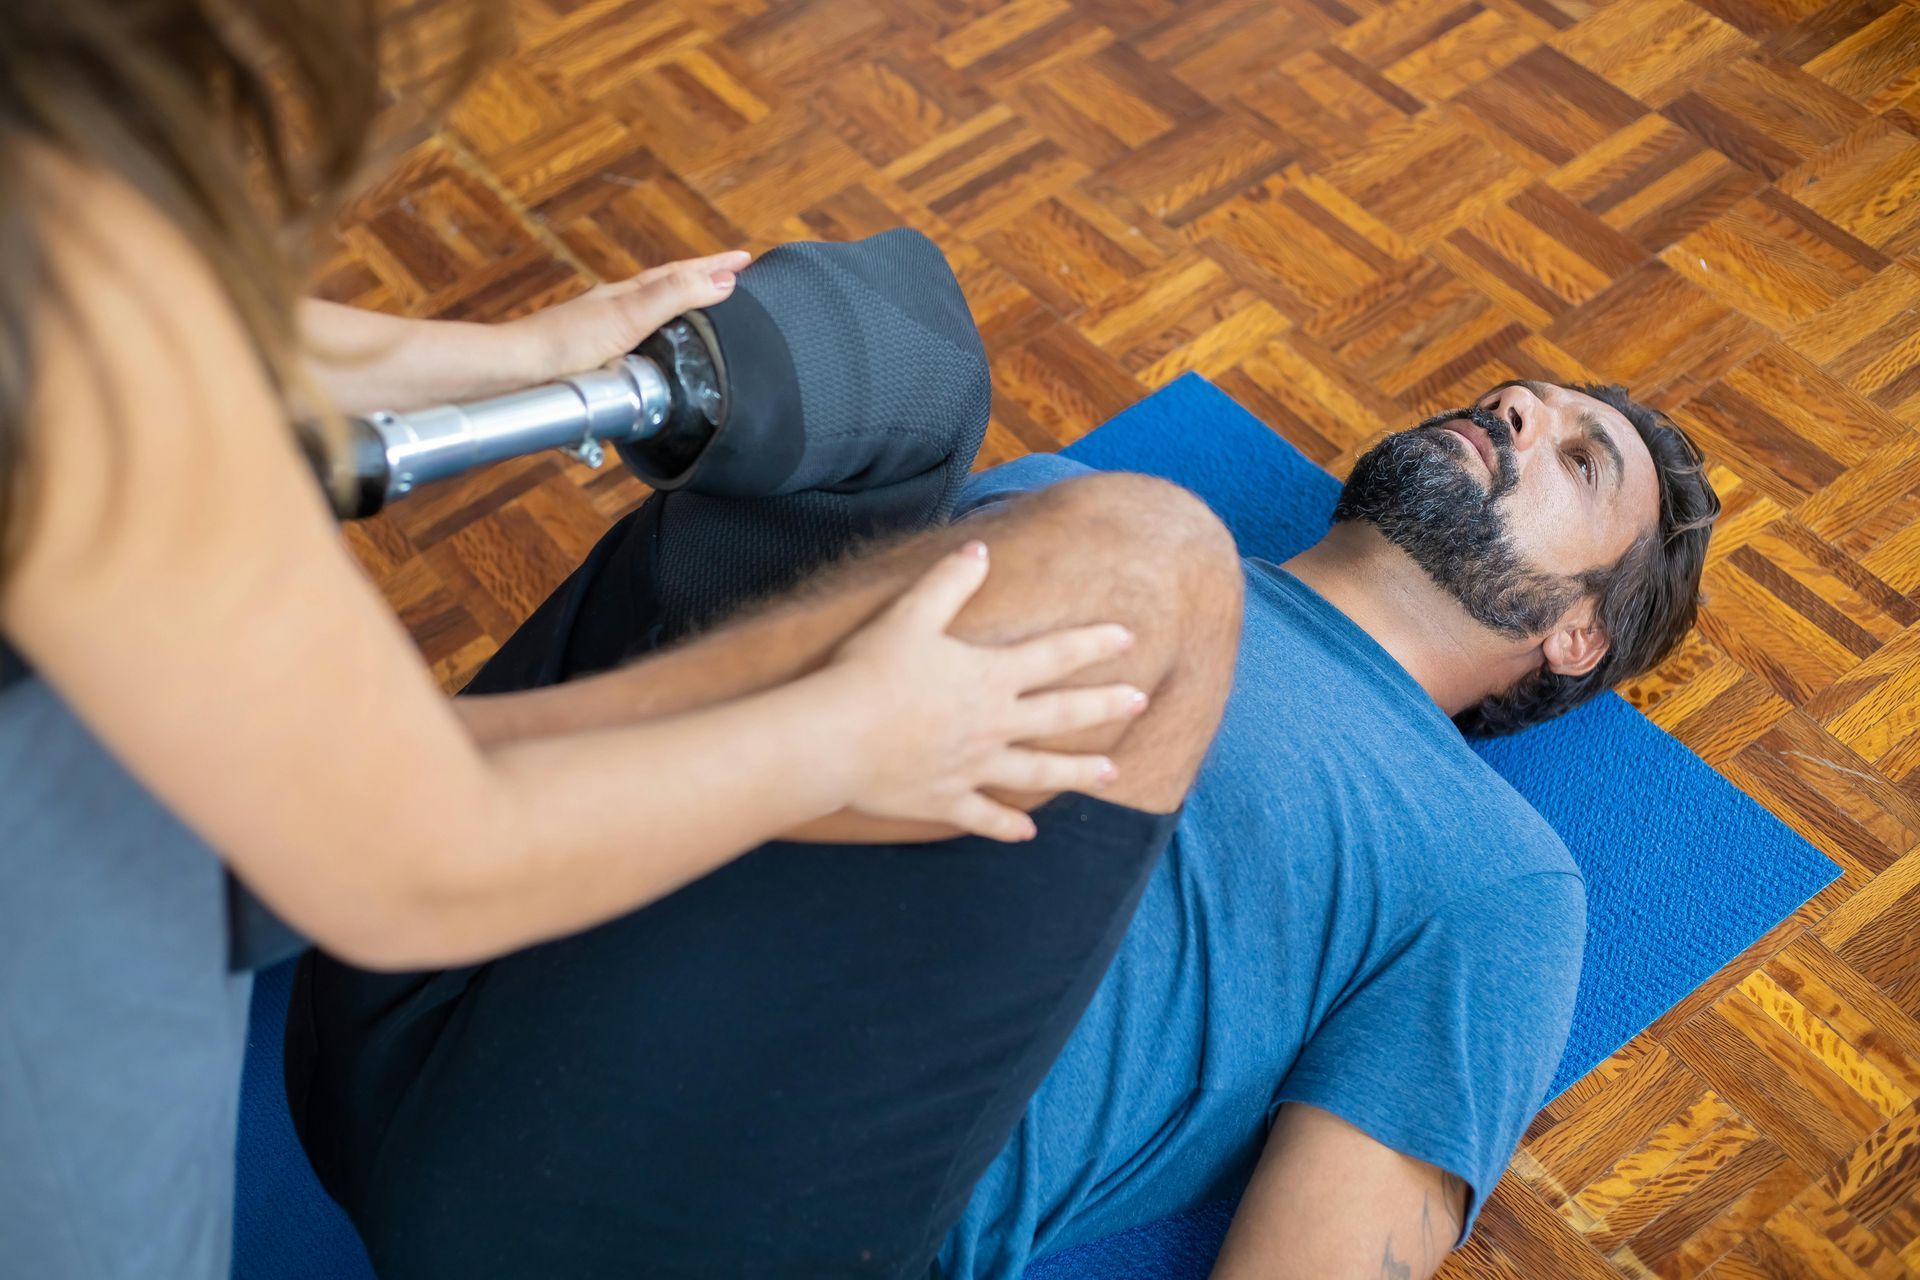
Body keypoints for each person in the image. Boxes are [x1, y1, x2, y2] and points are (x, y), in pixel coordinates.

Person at [0, 7, 1154, 1277]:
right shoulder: (75, 341)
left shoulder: (68, 244)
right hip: (91, 996)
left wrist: (513, 358)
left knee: (888, 353)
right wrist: (855, 735)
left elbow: (148, 296)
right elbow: (414, 861)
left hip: (167, 825)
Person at [291, 376, 1719, 1279]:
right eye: (1521, 400)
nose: (1522, 419)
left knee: (1151, 553)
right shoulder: (1055, 506)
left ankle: (392, 786)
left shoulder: (1500, 874)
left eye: (1582, 461)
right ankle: (426, 810)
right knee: (878, 353)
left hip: (708, 1194)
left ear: (1579, 635)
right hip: (456, 1010)